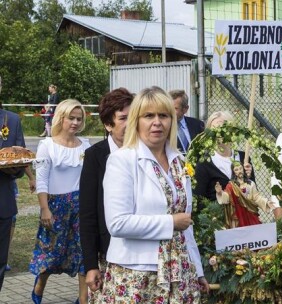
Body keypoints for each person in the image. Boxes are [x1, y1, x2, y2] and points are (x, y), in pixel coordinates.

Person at [101, 86, 209, 302]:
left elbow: (186, 223)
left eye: (164, 115)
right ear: (137, 121)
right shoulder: (122, 160)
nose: (157, 122)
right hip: (137, 274)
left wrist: (198, 270)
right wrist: (169, 223)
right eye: (149, 115)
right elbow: (117, 223)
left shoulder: (180, 161)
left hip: (180, 271)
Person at [30, 99, 91, 304]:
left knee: (83, 252)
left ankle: (83, 299)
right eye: (71, 118)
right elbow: (42, 180)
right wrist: (44, 208)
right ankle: (39, 287)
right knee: (51, 253)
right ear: (61, 118)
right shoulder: (47, 145)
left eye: (78, 119)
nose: (74, 122)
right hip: (55, 205)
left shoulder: (86, 145)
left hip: (81, 204)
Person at [79, 88, 133, 302]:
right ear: (108, 125)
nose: (131, 123)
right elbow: (88, 213)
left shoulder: (145, 151)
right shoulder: (95, 156)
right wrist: (91, 265)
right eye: (123, 118)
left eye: (134, 116)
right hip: (107, 252)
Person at [0, 75, 29, 292]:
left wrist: (14, 166)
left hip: (2, 203)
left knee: (0, 264)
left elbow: (21, 161)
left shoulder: (11, 120)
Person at [193, 111, 254, 202]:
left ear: (232, 130)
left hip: (243, 214)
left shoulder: (243, 158)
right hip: (216, 214)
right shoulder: (204, 163)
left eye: (223, 128)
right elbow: (199, 199)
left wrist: (248, 178)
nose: (218, 133)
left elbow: (253, 195)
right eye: (214, 129)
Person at [215, 161, 282, 228]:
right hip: (239, 214)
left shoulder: (250, 183)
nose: (239, 171)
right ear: (233, 172)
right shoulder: (231, 186)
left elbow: (257, 197)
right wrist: (220, 193)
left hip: (250, 212)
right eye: (236, 169)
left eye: (240, 168)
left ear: (243, 169)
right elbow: (227, 197)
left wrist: (267, 202)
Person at [170, 89, 204, 154]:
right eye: (169, 108)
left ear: (185, 109)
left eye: (175, 108)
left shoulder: (198, 125)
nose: (170, 112)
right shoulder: (164, 127)